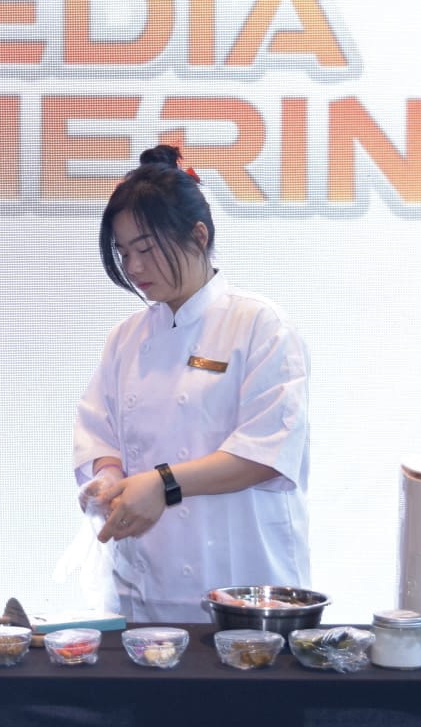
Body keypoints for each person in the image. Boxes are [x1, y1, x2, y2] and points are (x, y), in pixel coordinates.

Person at [72, 144, 311, 622]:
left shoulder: (259, 325)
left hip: (245, 589)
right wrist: (109, 478)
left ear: (198, 237)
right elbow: (100, 432)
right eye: (123, 253)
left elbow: (266, 453)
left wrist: (163, 485)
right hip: (143, 591)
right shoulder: (126, 338)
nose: (134, 268)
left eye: (145, 248)